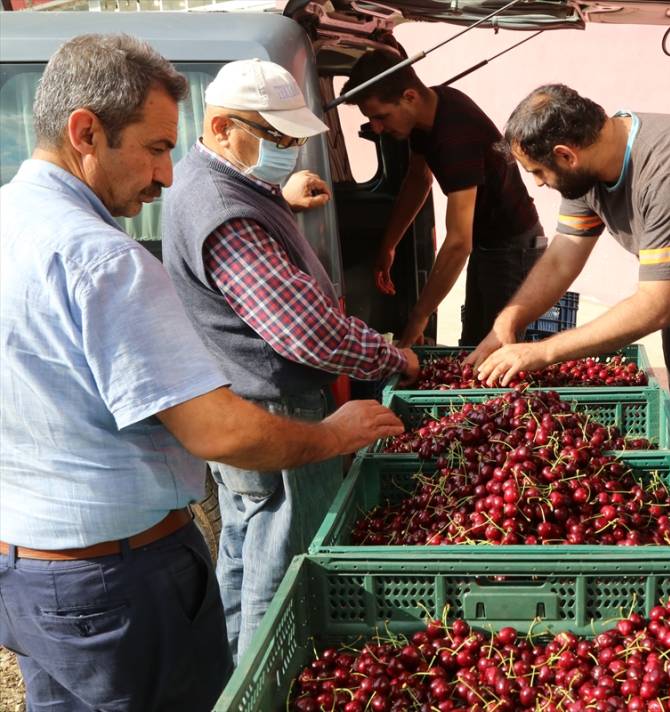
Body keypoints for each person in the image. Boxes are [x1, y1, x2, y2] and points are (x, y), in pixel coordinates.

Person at [0, 34, 403, 711]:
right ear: (85, 132)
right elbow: (219, 433)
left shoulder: (11, 223)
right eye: (158, 148)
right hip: (117, 583)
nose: (166, 176)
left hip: (30, 573)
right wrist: (335, 435)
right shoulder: (104, 260)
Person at [161, 58, 416, 663]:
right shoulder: (227, 212)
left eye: (294, 138)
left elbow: (243, 228)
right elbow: (307, 333)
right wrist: (392, 358)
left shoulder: (204, 179)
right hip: (277, 410)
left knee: (243, 553)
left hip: (240, 395)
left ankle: (226, 672)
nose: (290, 150)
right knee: (280, 569)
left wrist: (279, 196)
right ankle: (262, 679)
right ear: (222, 127)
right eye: (276, 138)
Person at [468, 85, 670, 553]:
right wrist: (508, 321)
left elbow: (654, 305)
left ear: (565, 154)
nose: (538, 183)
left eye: (538, 172)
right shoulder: (589, 170)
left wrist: (542, 351)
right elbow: (563, 256)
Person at [340, 50, 545, 347]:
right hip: (488, 243)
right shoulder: (431, 112)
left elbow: (459, 242)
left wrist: (419, 316)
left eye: (381, 116)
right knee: (472, 346)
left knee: (493, 353)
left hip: (514, 249)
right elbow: (417, 179)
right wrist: (389, 245)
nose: (377, 128)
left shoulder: (454, 139)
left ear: (409, 97)